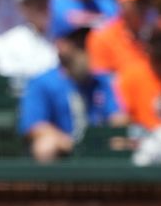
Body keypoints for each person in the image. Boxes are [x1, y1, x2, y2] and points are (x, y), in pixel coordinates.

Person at [19, 21, 126, 163]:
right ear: (61, 45)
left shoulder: (102, 81)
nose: (84, 48)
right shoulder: (43, 82)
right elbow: (35, 126)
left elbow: (118, 118)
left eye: (86, 42)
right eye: (77, 43)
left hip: (100, 149)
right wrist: (74, 145)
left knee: (122, 142)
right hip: (65, 150)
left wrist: (115, 133)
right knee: (45, 146)